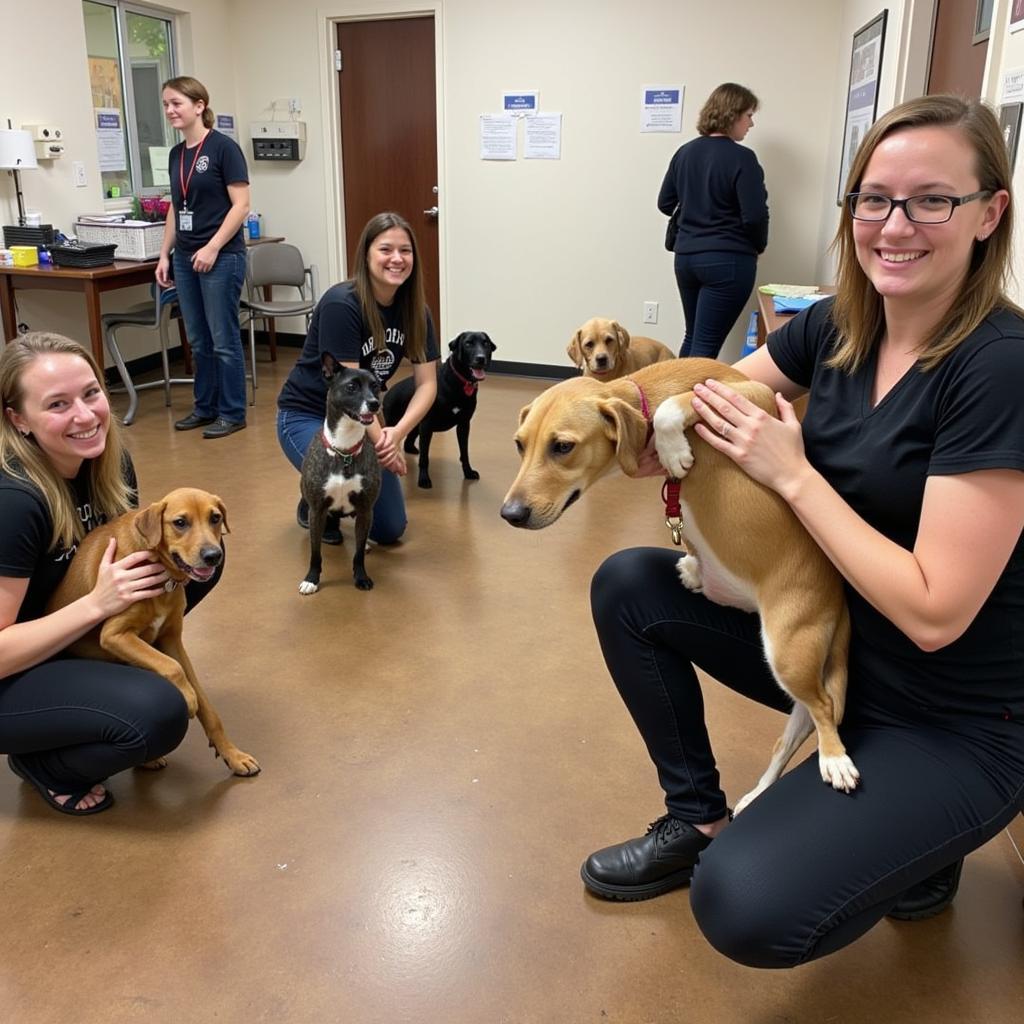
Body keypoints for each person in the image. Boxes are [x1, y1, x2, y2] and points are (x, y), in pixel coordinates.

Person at [584, 94, 1024, 967]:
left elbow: (935, 611)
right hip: (840, 648)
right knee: (629, 587)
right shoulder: (834, 324)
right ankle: (696, 814)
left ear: (989, 214)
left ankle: (927, 848)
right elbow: (712, 394)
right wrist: (633, 425)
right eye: (873, 198)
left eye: (931, 199)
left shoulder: (1000, 366)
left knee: (744, 902)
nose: (894, 225)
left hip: (948, 717)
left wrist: (794, 475)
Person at [0, 334, 217, 816]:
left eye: (91, 393)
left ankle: (90, 692)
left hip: (62, 639)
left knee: (198, 557)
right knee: (156, 715)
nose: (84, 415)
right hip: (11, 667)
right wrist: (98, 605)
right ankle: (47, 764)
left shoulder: (106, 461)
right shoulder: (14, 502)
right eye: (57, 404)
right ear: (19, 419)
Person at [277, 211, 439, 545]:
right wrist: (386, 449)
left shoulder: (416, 311)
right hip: (310, 415)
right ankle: (316, 497)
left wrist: (396, 435)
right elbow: (350, 395)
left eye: (405, 251)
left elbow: (427, 384)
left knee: (389, 530)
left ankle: (330, 492)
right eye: (386, 249)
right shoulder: (342, 304)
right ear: (366, 254)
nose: (397, 259)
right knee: (338, 470)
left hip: (366, 418)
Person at [156, 75, 251, 439]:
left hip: (221, 256)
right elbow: (175, 207)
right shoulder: (176, 154)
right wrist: (165, 254)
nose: (169, 110)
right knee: (198, 338)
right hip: (185, 257)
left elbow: (241, 206)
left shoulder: (224, 148)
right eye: (166, 104)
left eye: (176, 103)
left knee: (223, 337)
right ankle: (205, 407)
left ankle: (232, 412)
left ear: (199, 106)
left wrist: (212, 247)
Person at [658, 82, 769, 358]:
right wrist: (758, 247)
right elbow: (754, 216)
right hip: (728, 261)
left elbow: (664, 203)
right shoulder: (743, 158)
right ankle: (688, 402)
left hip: (686, 259)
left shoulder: (684, 152)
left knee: (693, 336)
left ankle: (674, 400)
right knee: (706, 346)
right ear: (732, 115)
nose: (751, 124)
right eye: (749, 115)